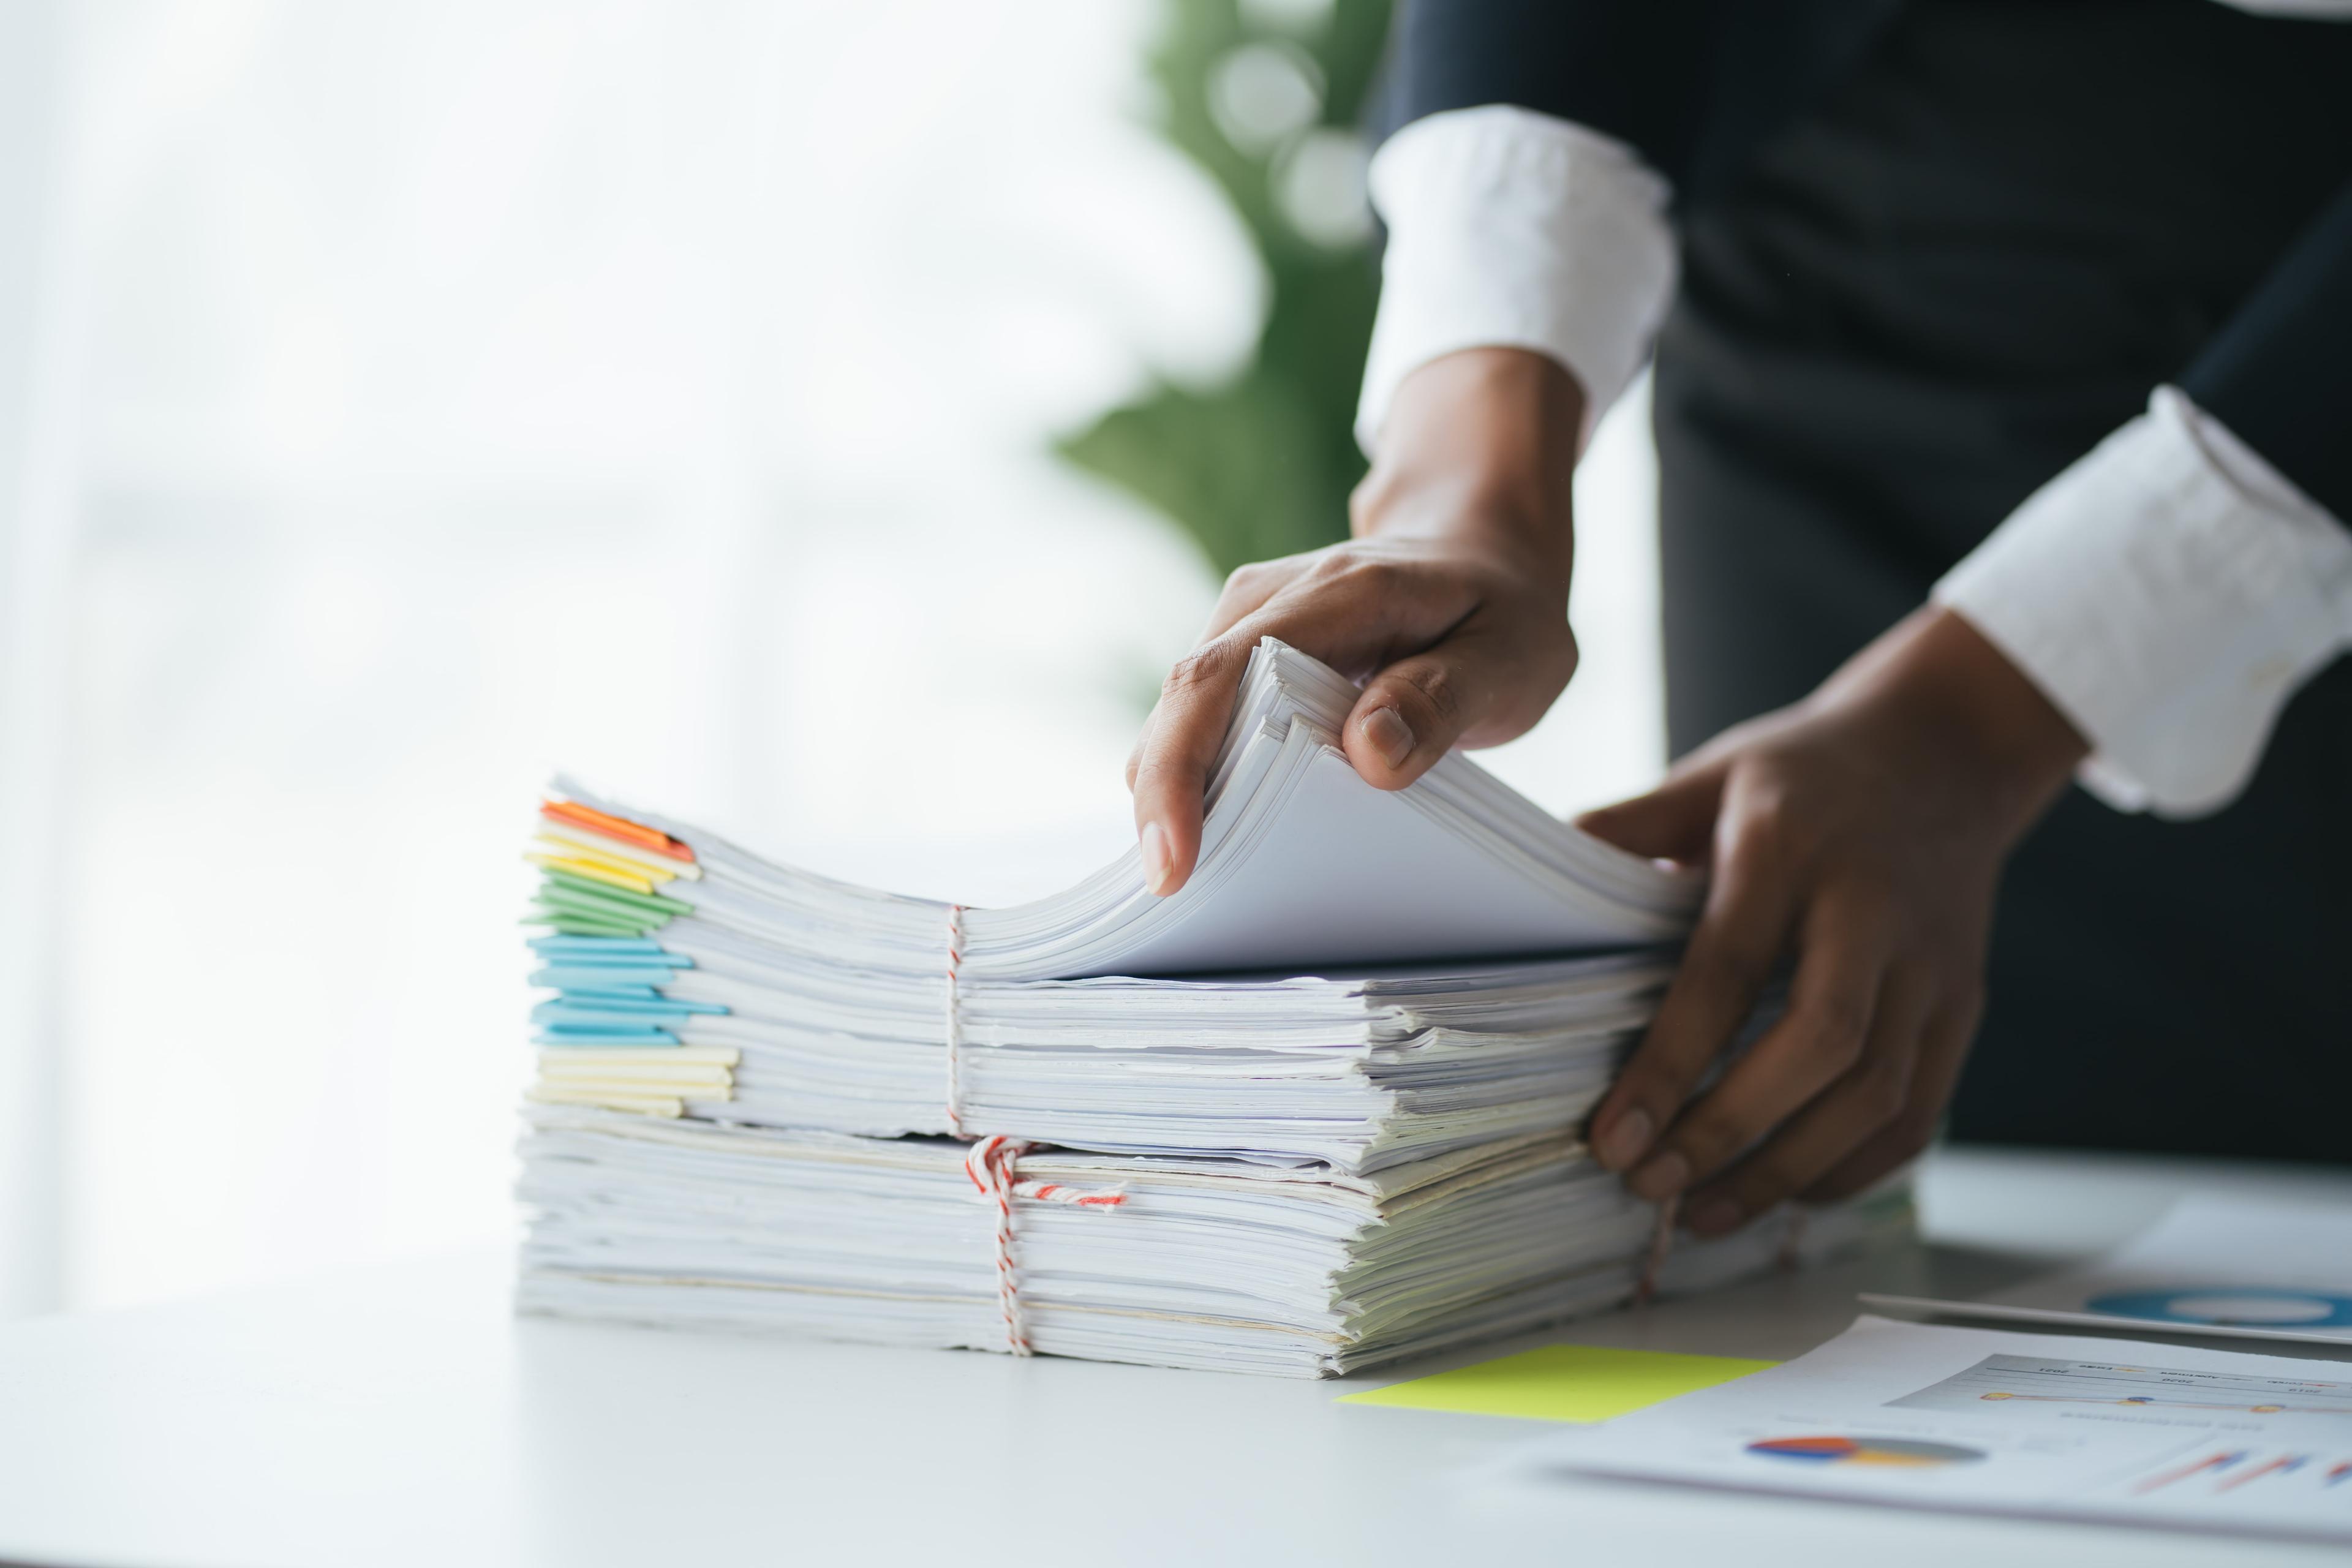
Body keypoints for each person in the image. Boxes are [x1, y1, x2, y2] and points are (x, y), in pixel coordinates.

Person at [1126, 0, 2352, 1234]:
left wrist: (1978, 716)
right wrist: (1469, 480)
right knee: (1829, 1157)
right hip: (1807, 249)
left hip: (2308, 364)